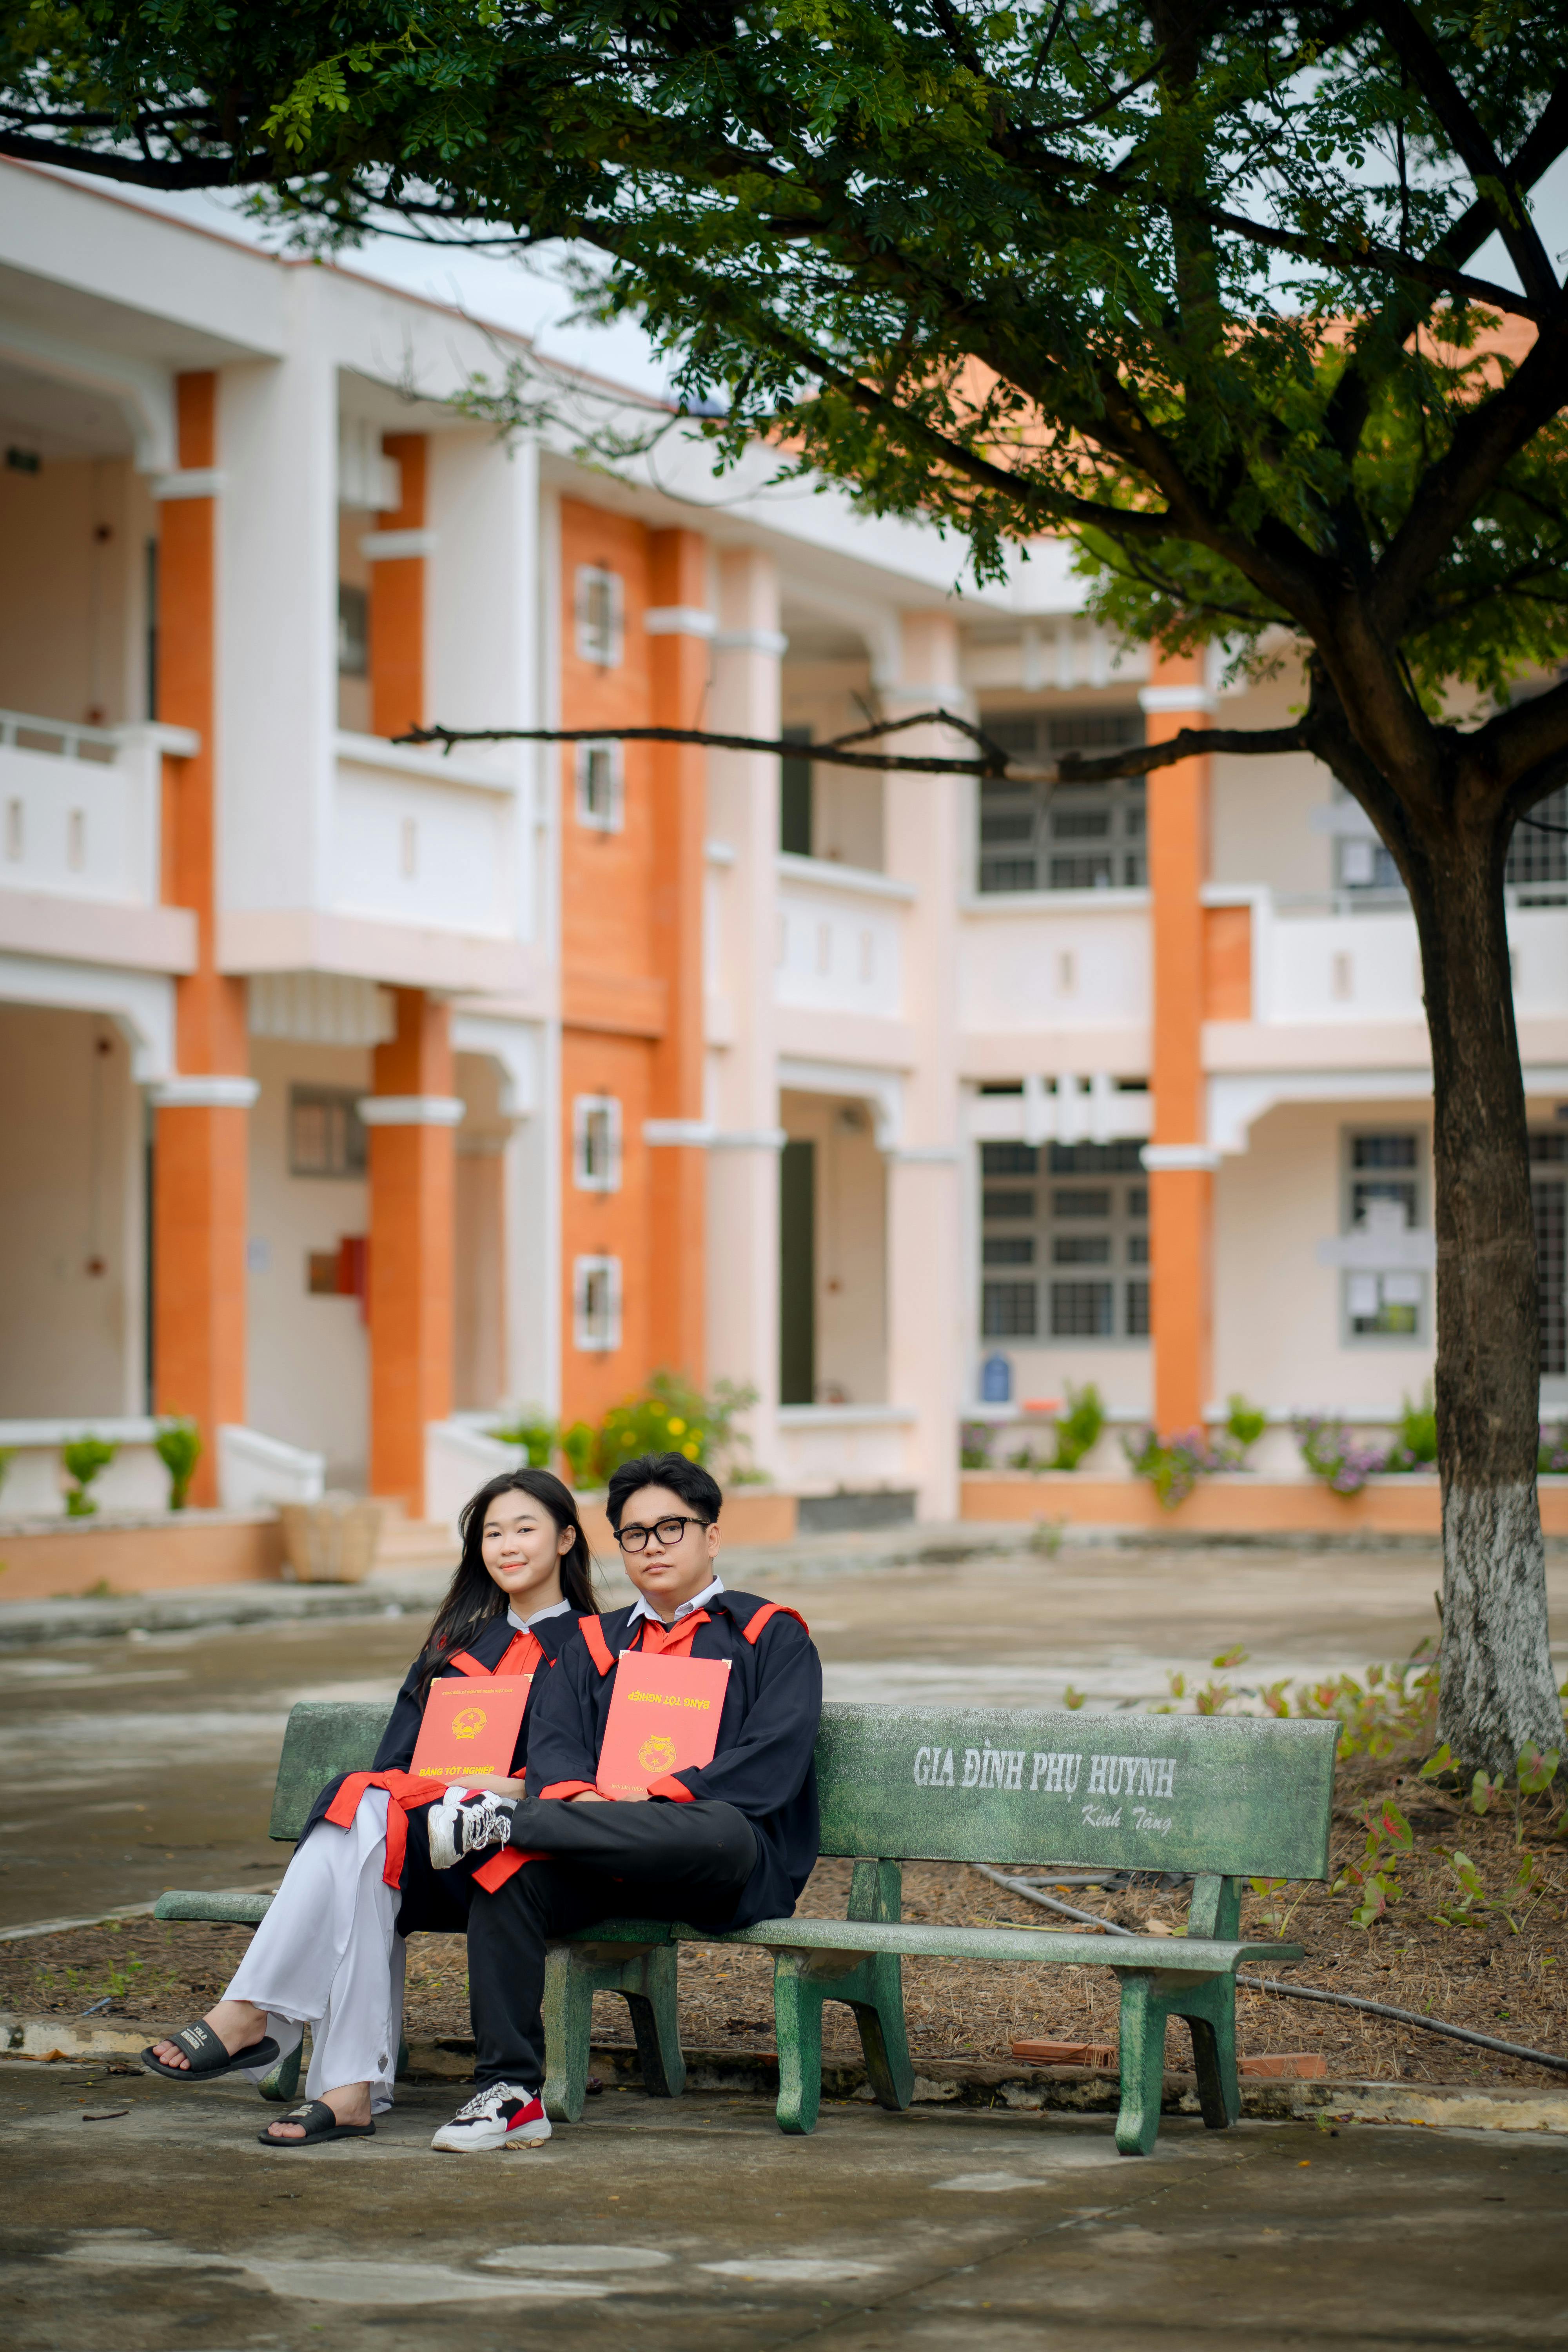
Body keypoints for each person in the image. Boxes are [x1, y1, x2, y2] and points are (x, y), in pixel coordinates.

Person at [140, 1468, 595, 2148]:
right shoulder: (456, 1649)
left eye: (524, 1529)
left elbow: (597, 1778)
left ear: (565, 1538)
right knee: (367, 1832)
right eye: (491, 1533)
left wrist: (500, 1787)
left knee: (362, 1831)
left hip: (526, 1862)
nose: (506, 1545)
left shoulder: (600, 1646)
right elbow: (398, 1766)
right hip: (427, 1860)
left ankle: (269, 2026)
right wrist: (432, 1787)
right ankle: (343, 2089)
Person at [423, 1450, 822, 2153]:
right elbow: (555, 1750)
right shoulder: (587, 1643)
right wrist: (591, 1807)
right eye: (634, 1534)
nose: (652, 1546)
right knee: (504, 1874)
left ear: (712, 1536)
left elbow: (772, 1761)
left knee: (722, 1829)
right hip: (604, 1867)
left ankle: (504, 1822)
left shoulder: (772, 1635)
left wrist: (661, 1794)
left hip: (719, 1868)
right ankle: (511, 2093)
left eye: (671, 1527)